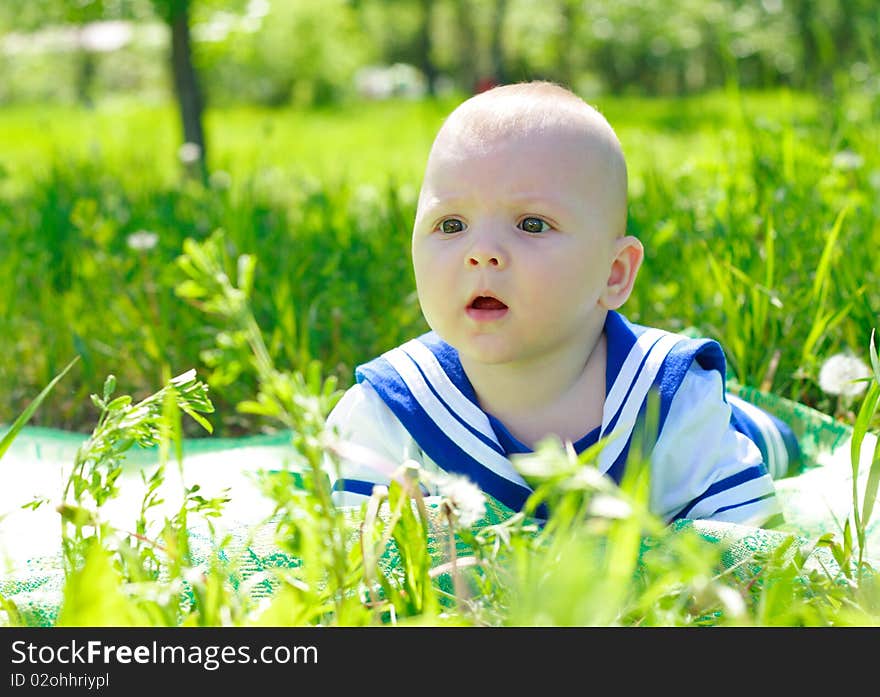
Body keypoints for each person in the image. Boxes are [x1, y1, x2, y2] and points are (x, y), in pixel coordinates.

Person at [324, 80, 797, 527]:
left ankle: (760, 422)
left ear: (614, 274)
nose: (481, 251)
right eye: (450, 225)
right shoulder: (392, 406)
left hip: (721, 428)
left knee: (778, 445)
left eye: (531, 224)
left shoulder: (672, 402)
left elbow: (748, 552)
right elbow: (357, 561)